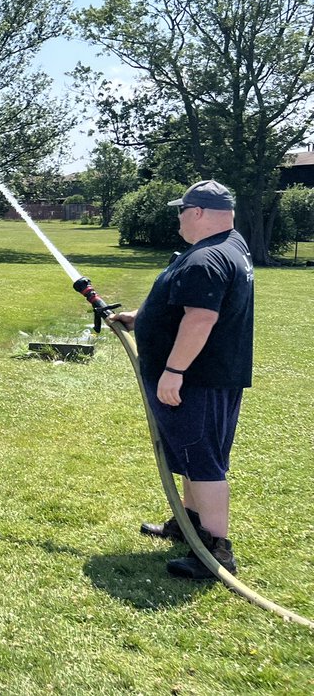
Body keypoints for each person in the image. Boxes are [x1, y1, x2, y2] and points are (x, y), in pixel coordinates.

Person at [110, 180, 254, 580]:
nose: (178, 219)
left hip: (197, 380)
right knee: (191, 456)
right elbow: (192, 303)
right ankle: (189, 526)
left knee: (203, 461)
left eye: (181, 211)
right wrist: (141, 318)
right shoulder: (231, 246)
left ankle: (215, 551)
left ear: (198, 213)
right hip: (212, 376)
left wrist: (174, 372)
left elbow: (201, 318)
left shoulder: (206, 258)